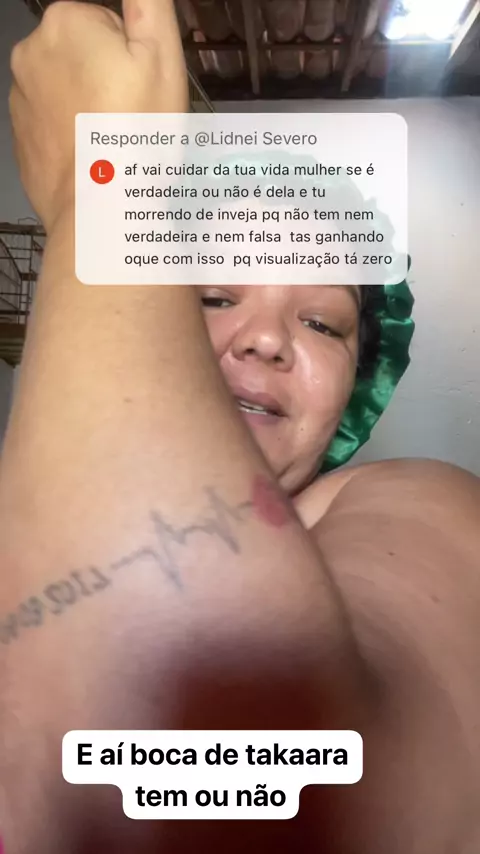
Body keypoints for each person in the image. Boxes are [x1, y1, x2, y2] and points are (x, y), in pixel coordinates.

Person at [0, 1, 478, 852]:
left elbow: (252, 780)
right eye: (214, 294)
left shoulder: (425, 502)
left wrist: (101, 200)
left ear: (359, 383)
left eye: (322, 322)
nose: (264, 338)